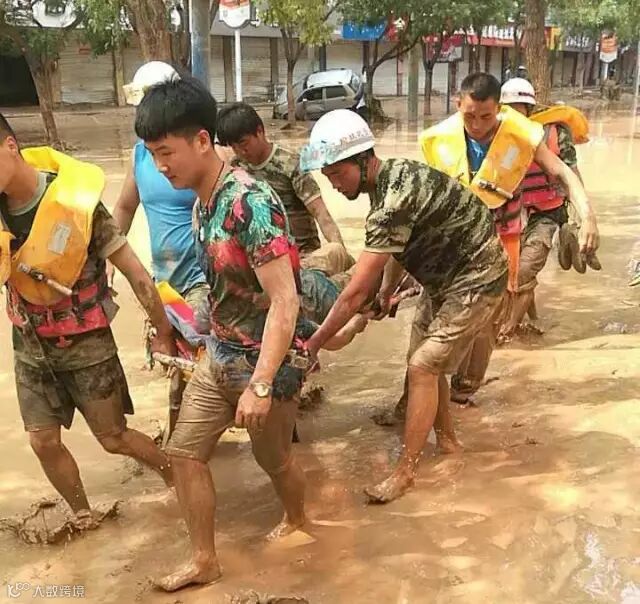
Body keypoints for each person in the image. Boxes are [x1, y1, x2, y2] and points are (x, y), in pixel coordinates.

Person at [134, 78, 366, 591]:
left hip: (268, 365)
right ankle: (204, 559)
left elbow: (284, 300)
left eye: (166, 152)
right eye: (152, 155)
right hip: (220, 356)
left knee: (275, 461)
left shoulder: (250, 203)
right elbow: (222, 288)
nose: (160, 166)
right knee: (184, 453)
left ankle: (299, 520)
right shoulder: (201, 201)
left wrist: (261, 385)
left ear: (201, 140)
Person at [302, 109, 508, 504]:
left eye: (338, 174)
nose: (334, 185)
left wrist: (314, 344)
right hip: (443, 280)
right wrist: (385, 293)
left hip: (478, 276)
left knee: (423, 366)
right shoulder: (392, 178)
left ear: (364, 160)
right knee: (424, 363)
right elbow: (397, 247)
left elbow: (352, 294)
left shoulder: (392, 201)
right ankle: (447, 442)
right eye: (328, 177)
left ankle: (405, 472)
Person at [0, 113, 175, 528]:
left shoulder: (77, 205)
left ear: (10, 146)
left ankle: (177, 475)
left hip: (87, 343)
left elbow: (134, 271)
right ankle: (83, 515)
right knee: (42, 441)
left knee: (113, 438)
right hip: (30, 346)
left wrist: (164, 332)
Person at [420, 72, 599, 403]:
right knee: (432, 319)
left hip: (502, 242)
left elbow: (564, 172)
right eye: (470, 116)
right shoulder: (439, 140)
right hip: (454, 245)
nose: (477, 125)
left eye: (486, 116)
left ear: (499, 110)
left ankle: (464, 390)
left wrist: (587, 216)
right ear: (458, 105)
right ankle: (420, 395)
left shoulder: (523, 137)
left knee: (488, 320)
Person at [498, 78, 601, 338]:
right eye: (508, 108)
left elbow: (570, 173)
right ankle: (530, 319)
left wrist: (585, 218)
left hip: (548, 212)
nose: (513, 114)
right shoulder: (496, 135)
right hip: (510, 214)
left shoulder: (554, 133)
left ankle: (507, 333)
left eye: (519, 108)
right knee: (508, 271)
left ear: (529, 109)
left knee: (524, 270)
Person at [216, 102, 349, 262]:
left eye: (244, 143)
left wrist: (341, 254)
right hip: (262, 258)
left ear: (260, 131)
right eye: (234, 146)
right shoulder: (237, 169)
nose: (240, 151)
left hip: (303, 255)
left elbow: (320, 213)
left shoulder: (291, 163)